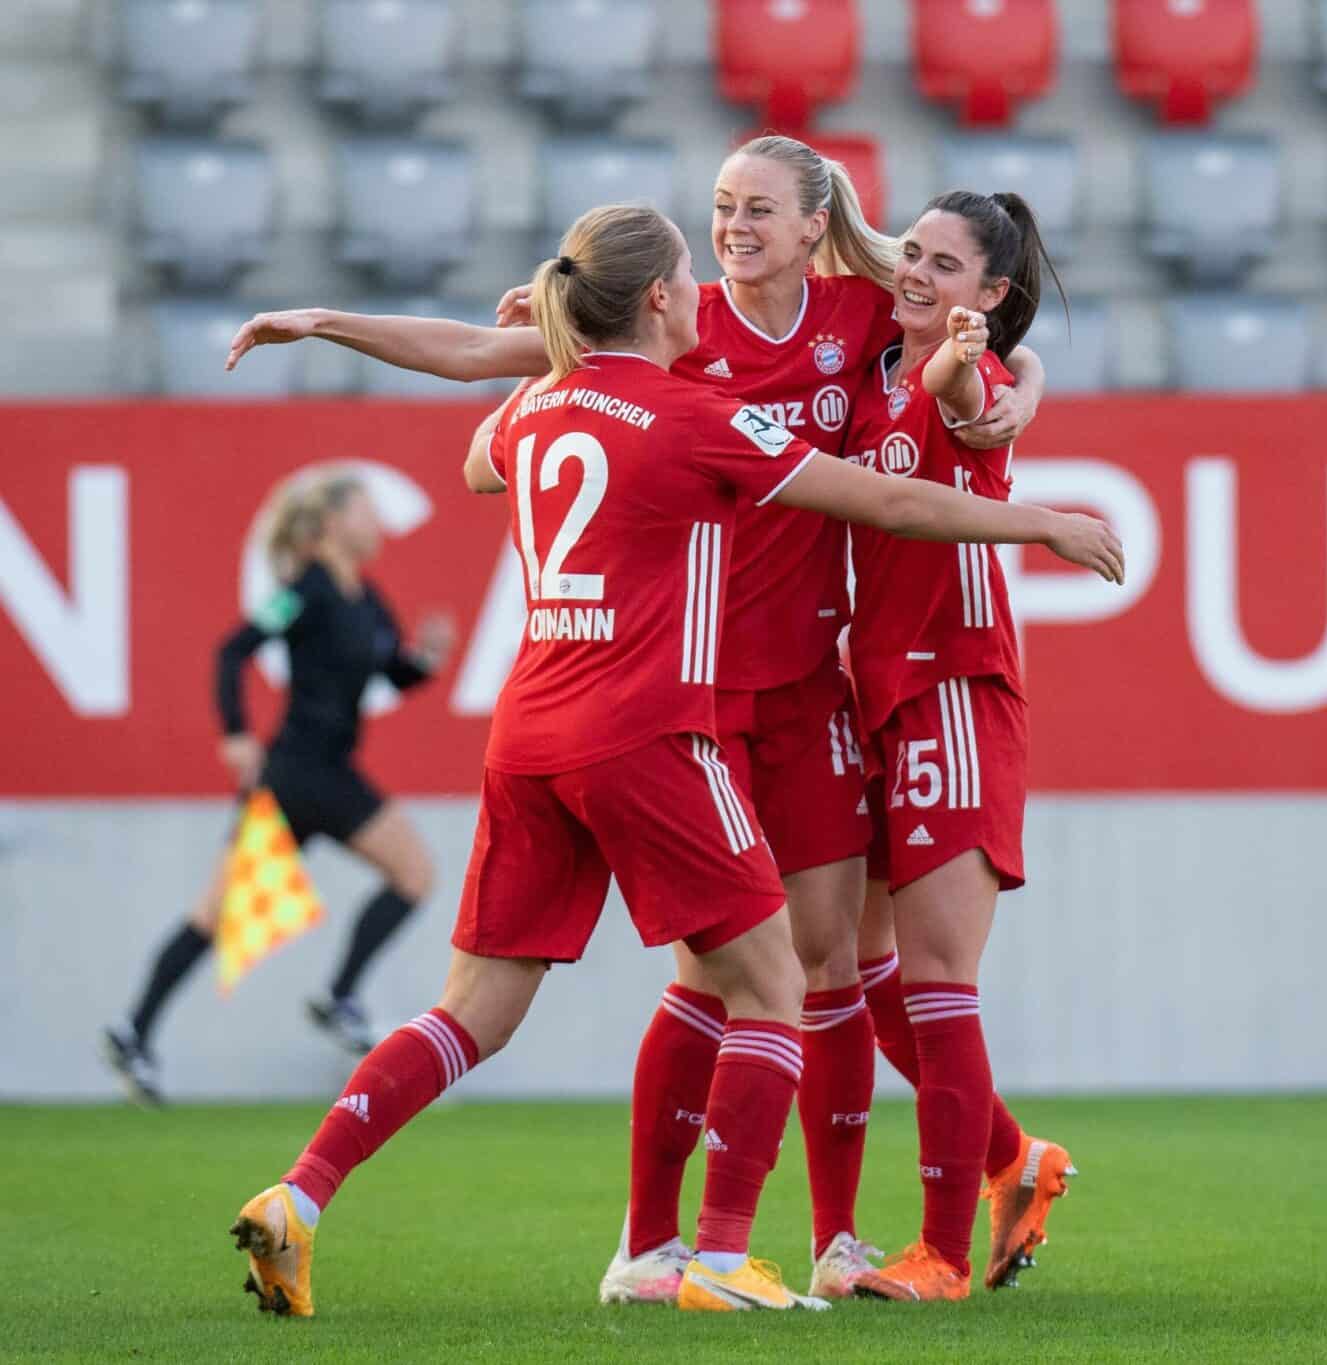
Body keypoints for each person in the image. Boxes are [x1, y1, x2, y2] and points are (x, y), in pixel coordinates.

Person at [227, 202, 1122, 1319]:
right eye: (706, 237)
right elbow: (884, 498)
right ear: (660, 299)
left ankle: (302, 1195)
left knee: (475, 1011)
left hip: (527, 735)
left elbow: (472, 435)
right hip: (653, 729)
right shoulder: (699, 412)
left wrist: (320, 321)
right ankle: (714, 1256)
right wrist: (1039, 522)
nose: (724, 252)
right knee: (780, 984)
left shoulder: (538, 406)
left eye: (754, 211)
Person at [825, 189, 1074, 1303]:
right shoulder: (874, 355)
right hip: (871, 692)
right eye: (909, 251)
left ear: (990, 295)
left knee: (933, 980)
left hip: (954, 690)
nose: (914, 273)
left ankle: (940, 1255)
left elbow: (967, 395)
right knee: (865, 974)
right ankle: (1016, 1159)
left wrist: (986, 368)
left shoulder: (967, 377)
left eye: (942, 263)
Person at [100, 474, 452, 1103]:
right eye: (368, 511)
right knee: (225, 912)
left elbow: (386, 673)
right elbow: (232, 651)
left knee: (406, 877)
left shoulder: (366, 599)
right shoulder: (306, 590)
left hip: (328, 775)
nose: (379, 523)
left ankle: (328, 998)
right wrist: (235, 732)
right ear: (334, 522)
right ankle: (145, 1031)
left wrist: (422, 660)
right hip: (295, 774)